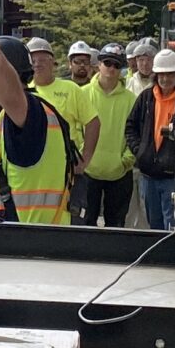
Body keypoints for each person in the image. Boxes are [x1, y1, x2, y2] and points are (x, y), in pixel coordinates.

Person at [0, 30, 71, 224]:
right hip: (12, 243)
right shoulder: (7, 120)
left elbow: (13, 97)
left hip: (25, 244)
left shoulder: (30, 115)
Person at [28, 39, 99, 211]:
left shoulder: (70, 89)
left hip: (68, 172)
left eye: (43, 59)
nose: (37, 64)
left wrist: (85, 160)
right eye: (33, 60)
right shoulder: (24, 91)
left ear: (53, 62)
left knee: (72, 225)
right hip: (34, 173)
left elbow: (93, 122)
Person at [125, 49, 175, 230]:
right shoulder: (147, 98)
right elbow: (130, 127)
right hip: (148, 175)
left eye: (170, 74)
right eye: (161, 75)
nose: (165, 79)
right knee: (153, 224)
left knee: (172, 224)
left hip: (173, 176)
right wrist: (141, 151)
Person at [78, 43, 135, 227]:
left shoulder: (131, 100)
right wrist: (81, 157)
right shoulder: (81, 94)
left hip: (119, 173)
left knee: (116, 226)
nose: (111, 68)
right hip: (87, 172)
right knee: (85, 225)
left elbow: (136, 133)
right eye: (107, 63)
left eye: (117, 65)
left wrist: (126, 160)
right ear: (98, 65)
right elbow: (74, 129)